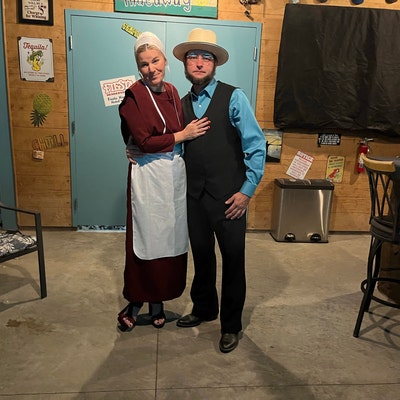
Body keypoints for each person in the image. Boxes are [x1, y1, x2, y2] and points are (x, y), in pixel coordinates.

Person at [173, 28, 266, 353]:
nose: (199, 62)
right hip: (194, 198)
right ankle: (204, 308)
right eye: (193, 56)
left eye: (206, 57)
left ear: (215, 64)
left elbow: (256, 146)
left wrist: (247, 191)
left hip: (230, 199)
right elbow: (175, 149)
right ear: (185, 63)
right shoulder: (181, 104)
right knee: (201, 257)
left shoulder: (233, 96)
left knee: (233, 261)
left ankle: (231, 325)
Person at [117, 32, 210, 332]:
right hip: (146, 175)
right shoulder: (133, 95)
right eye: (143, 64)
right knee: (144, 239)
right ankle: (135, 301)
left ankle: (158, 302)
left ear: (165, 60)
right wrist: (177, 137)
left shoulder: (172, 92)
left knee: (168, 238)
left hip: (172, 175)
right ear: (138, 67)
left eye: (155, 60)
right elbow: (142, 139)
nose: (151, 68)